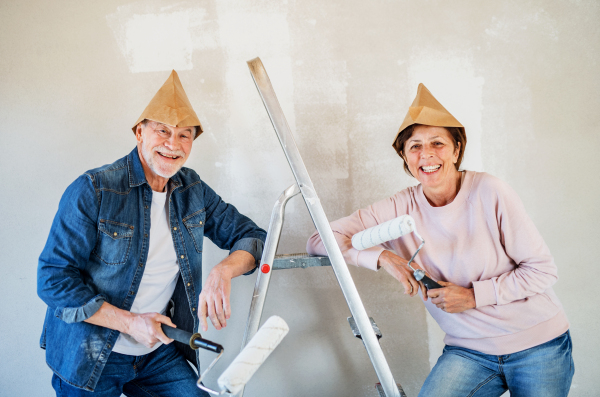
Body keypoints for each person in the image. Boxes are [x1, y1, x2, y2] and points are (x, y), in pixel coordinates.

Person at [307, 84, 573, 397]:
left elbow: (542, 271)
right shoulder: (398, 207)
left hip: (538, 344)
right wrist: (383, 258)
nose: (427, 154)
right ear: (405, 157)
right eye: (415, 146)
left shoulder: (490, 191)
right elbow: (318, 240)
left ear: (457, 149)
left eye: (437, 143)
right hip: (469, 352)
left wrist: (474, 296)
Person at [37, 70, 266, 396]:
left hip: (157, 350)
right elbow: (52, 279)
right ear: (139, 133)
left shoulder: (193, 190)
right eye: (163, 131)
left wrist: (223, 270)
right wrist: (131, 323)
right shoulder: (95, 189)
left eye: (185, 135)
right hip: (91, 352)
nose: (173, 144)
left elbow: (252, 236)